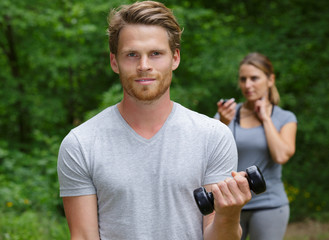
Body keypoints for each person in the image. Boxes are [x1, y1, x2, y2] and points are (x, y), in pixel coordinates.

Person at [57, 1, 252, 239]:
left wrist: (229, 214)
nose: (144, 66)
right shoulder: (81, 143)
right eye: (132, 55)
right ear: (114, 61)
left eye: (156, 54)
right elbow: (84, 237)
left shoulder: (214, 136)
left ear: (175, 58)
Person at [216, 52, 297, 240]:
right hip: (231, 204)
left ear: (270, 80)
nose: (247, 85)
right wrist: (223, 123)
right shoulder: (227, 114)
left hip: (269, 204)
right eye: (243, 79)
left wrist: (266, 119)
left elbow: (282, 156)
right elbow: (209, 156)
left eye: (254, 78)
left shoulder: (284, 118)